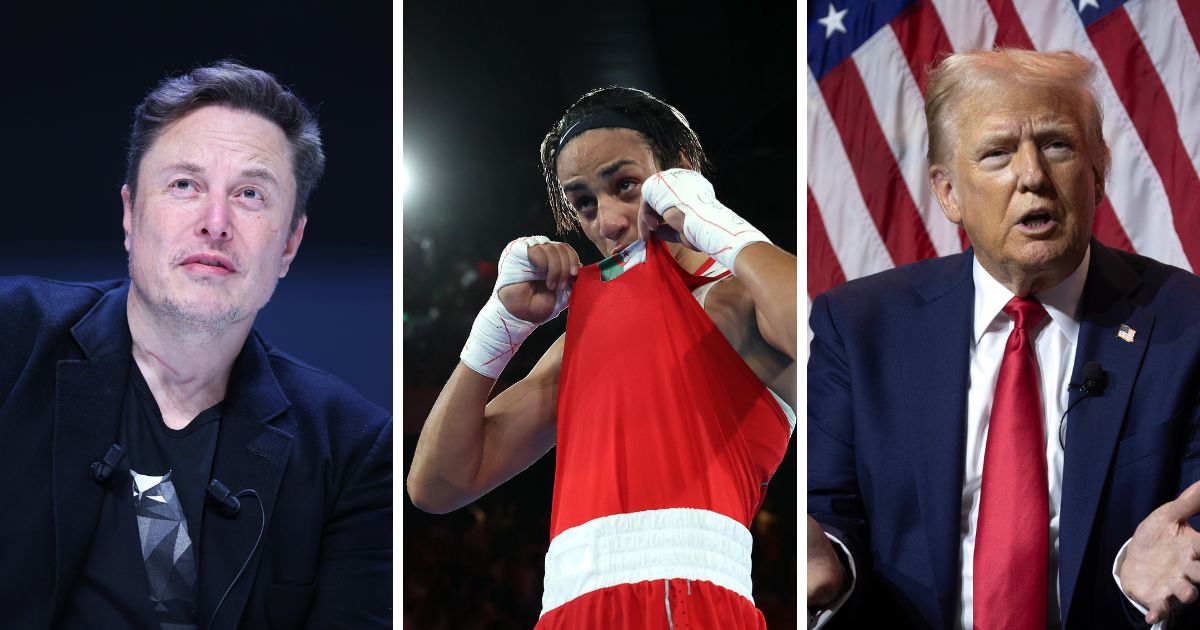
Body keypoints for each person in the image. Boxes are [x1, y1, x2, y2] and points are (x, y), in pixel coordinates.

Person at [807, 48, 1200, 629]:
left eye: (1057, 145)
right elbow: (827, 511)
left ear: (1098, 172)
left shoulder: (1187, 321)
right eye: (997, 154)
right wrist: (827, 562)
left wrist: (1142, 582)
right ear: (948, 193)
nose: (1032, 176)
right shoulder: (859, 325)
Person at [0, 62, 391, 629]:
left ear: (289, 244)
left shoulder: (352, 451)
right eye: (185, 185)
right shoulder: (13, 340)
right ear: (131, 214)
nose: (215, 222)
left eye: (251, 194)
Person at [407, 86, 797, 627]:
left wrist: (711, 218)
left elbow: (825, 338)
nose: (608, 222)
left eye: (626, 186)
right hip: (566, 612)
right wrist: (500, 328)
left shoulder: (739, 297)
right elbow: (437, 484)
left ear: (681, 172)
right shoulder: (585, 333)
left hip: (691, 601)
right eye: (584, 202)